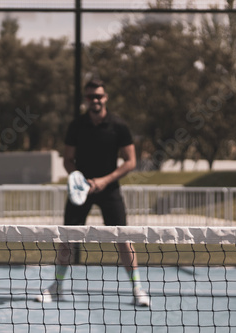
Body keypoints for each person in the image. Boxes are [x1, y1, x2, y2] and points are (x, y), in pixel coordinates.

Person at [35, 79, 150, 307]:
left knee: (123, 239)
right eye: (90, 97)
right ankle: (57, 286)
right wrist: (80, 181)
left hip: (110, 190)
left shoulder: (119, 126)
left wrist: (104, 181)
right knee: (66, 238)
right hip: (81, 191)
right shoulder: (76, 125)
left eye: (98, 96)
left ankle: (137, 289)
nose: (95, 100)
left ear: (105, 97)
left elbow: (131, 161)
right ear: (86, 100)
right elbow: (68, 160)